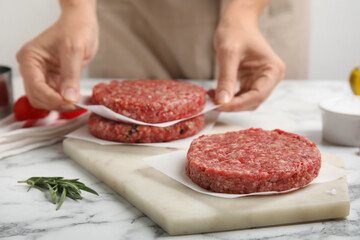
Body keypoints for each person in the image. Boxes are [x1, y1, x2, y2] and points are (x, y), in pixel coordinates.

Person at [16, 0, 307, 113]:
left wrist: (243, 14)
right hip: (138, 12)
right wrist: (75, 9)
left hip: (257, 9)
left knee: (260, 116)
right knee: (124, 121)